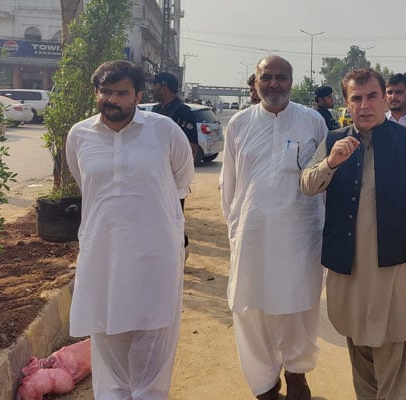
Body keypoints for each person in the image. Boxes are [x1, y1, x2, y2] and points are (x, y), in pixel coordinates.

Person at [300, 68, 406, 399]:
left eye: (372, 96)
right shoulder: (334, 140)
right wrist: (330, 163)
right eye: (356, 98)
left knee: (393, 345)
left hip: (393, 264)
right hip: (348, 265)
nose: (365, 106)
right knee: (357, 339)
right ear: (346, 103)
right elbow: (307, 185)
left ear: (385, 99)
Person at [65, 60, 194, 399]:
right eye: (106, 91)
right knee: (107, 340)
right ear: (96, 93)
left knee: (154, 337)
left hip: (155, 253)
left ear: (138, 96)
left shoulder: (164, 130)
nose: (113, 99)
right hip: (102, 252)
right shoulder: (79, 135)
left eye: (122, 92)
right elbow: (87, 184)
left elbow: (182, 181)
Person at [219, 55, 328, 400]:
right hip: (251, 235)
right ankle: (264, 384)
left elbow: (325, 179)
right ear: (256, 81)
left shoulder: (312, 122)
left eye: (281, 77)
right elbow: (229, 183)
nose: (274, 84)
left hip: (300, 236)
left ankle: (297, 373)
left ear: (292, 83)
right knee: (250, 308)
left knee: (298, 306)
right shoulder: (238, 124)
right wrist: (235, 230)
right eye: (267, 77)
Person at [151, 71, 197, 255]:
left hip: (172, 177)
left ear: (163, 86)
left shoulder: (183, 112)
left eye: (154, 85)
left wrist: (181, 181)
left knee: (174, 217)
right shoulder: (156, 110)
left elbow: (191, 147)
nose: (152, 88)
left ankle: (180, 251)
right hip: (153, 176)